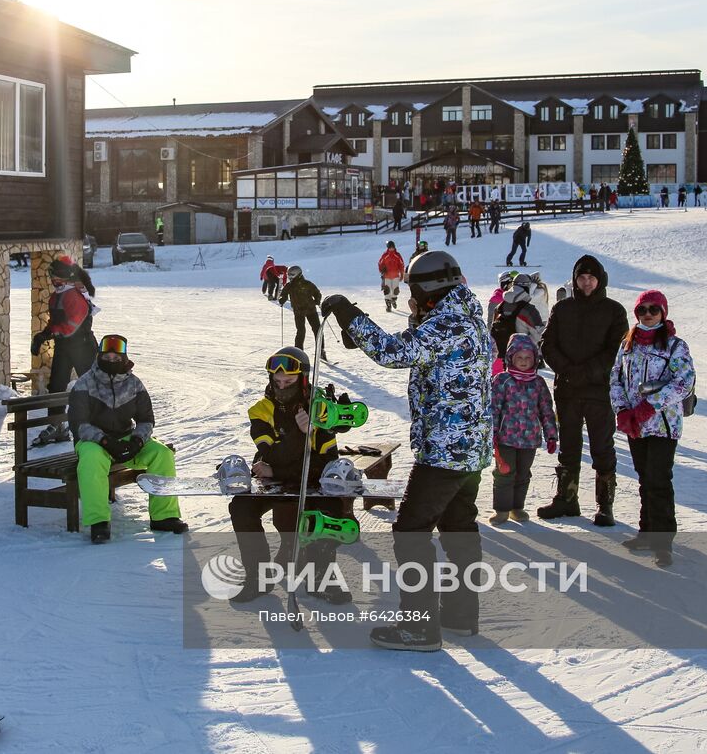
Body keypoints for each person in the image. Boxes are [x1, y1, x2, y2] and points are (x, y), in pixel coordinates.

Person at [321, 251, 494, 651]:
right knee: (458, 529)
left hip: (444, 454)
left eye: (415, 292)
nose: (411, 299)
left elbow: (392, 354)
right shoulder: (469, 321)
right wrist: (368, 330)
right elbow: (413, 348)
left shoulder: (446, 325)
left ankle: (419, 626)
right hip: (469, 452)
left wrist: (349, 314)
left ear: (429, 291)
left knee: (411, 532)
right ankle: (460, 616)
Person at [227, 346, 351, 604]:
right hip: (273, 482)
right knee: (241, 507)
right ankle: (257, 578)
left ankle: (321, 578)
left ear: (303, 380)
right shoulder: (261, 410)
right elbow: (268, 455)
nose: (282, 387)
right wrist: (299, 433)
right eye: (277, 382)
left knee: (330, 509)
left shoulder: (320, 409)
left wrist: (280, 465)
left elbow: (326, 462)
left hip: (311, 481)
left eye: (289, 382)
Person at [69, 334, 186, 544]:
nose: (111, 361)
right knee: (92, 460)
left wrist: (137, 442)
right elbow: (79, 424)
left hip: (126, 439)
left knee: (162, 454)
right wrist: (106, 442)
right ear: (100, 356)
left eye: (116, 358)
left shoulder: (133, 383)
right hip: (94, 442)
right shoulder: (85, 383)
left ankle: (164, 516)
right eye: (107, 357)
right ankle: (99, 522)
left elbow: (146, 419)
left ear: (124, 358)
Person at [537, 255, 628, 525]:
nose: (586, 283)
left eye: (591, 278)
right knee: (569, 446)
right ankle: (567, 499)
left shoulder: (614, 311)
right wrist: (566, 369)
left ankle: (605, 505)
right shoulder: (563, 309)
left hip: (599, 391)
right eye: (581, 277)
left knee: (602, 446)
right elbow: (547, 343)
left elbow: (616, 351)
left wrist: (585, 372)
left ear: (600, 280)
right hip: (567, 389)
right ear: (575, 279)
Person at [610, 290, 695, 568]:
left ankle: (663, 542)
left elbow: (683, 382)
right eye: (642, 310)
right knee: (644, 478)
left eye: (653, 310)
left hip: (662, 425)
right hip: (636, 425)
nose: (647, 314)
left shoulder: (674, 346)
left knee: (658, 480)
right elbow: (616, 379)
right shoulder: (628, 343)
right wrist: (622, 410)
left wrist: (649, 407)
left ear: (663, 312)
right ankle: (646, 532)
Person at [31, 256, 98, 445]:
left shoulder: (74, 296)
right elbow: (55, 323)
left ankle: (100, 421)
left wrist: (49, 334)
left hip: (82, 346)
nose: (53, 281)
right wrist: (42, 335)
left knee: (91, 384)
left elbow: (70, 326)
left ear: (64, 277)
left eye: (55, 277)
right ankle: (57, 424)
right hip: (64, 346)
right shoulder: (57, 296)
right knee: (57, 385)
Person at [490, 334, 557, 524]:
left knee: (523, 473)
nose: (523, 362)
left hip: (529, 439)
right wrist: (492, 433)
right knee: (504, 472)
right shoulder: (502, 380)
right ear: (511, 357)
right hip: (505, 438)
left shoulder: (538, 383)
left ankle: (516, 507)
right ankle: (502, 509)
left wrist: (551, 435)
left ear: (535, 359)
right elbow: (494, 408)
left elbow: (546, 411)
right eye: (519, 357)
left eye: (528, 358)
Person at [489, 273, 546, 376]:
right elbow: (540, 335)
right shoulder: (529, 310)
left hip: (504, 357)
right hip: (525, 360)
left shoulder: (500, 307)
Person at [277, 265, 325, 359]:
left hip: (311, 310)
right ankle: (298, 352)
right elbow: (283, 294)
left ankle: (321, 350)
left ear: (298, 274)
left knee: (317, 330)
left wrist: (317, 301)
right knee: (301, 331)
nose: (290, 277)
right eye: (289, 275)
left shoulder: (307, 284)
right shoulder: (289, 286)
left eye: (292, 275)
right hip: (298, 312)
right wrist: (282, 299)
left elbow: (317, 293)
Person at [378, 241, 406, 313]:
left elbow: (401, 264)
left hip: (395, 275)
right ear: (388, 248)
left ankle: (393, 300)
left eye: (392, 248)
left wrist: (402, 274)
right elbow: (380, 263)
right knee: (387, 290)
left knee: (395, 290)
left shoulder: (397, 255)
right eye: (390, 248)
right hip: (387, 276)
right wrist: (382, 270)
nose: (391, 249)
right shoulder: (385, 255)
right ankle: (388, 305)